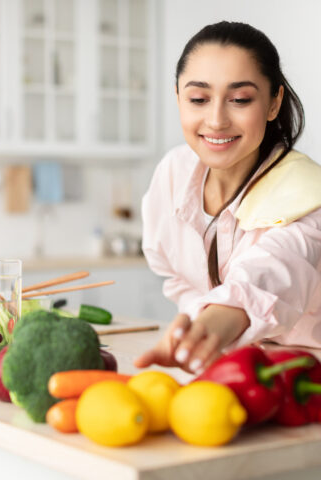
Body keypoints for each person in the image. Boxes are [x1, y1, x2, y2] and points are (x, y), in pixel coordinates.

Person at [135, 21, 321, 375]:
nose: (217, 120)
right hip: (225, 372)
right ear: (178, 98)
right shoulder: (174, 172)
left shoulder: (307, 192)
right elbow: (177, 276)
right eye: (198, 99)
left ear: (273, 103)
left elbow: (274, 272)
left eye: (240, 100)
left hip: (300, 381)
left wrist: (216, 323)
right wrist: (199, 329)